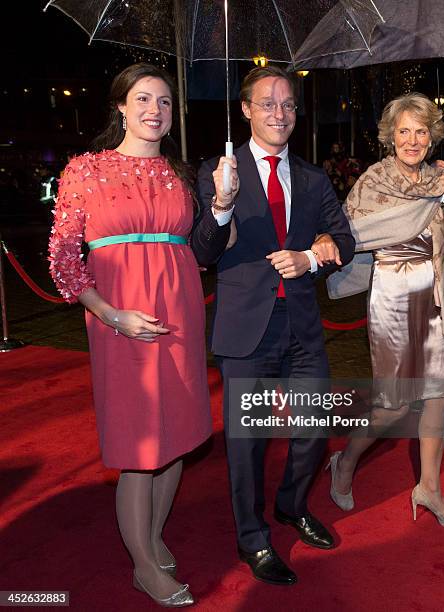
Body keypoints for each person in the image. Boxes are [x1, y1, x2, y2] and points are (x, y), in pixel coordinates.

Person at [49, 63, 212, 607]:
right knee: (141, 443)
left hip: (180, 311)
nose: (154, 111)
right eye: (143, 99)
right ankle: (144, 566)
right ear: (120, 105)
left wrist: (225, 202)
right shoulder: (86, 169)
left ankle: (153, 535)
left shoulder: (180, 173)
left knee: (177, 438)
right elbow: (63, 256)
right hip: (120, 316)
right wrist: (108, 313)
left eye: (165, 102)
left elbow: (202, 246)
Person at [191, 65, 355, 586]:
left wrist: (315, 254)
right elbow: (203, 252)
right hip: (247, 330)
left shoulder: (310, 177)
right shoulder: (219, 171)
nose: (279, 114)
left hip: (303, 325)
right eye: (267, 104)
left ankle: (291, 505)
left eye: (287, 104)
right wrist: (221, 204)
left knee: (313, 430)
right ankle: (253, 537)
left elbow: (344, 240)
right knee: (249, 442)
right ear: (245, 110)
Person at [320, 93, 444, 527]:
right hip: (392, 294)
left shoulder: (441, 181)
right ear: (390, 136)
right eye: (403, 131)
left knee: (439, 394)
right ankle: (345, 461)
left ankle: (429, 488)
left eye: (421, 131)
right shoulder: (373, 181)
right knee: (395, 405)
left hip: (433, 293)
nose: (412, 139)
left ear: (432, 136)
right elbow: (351, 235)